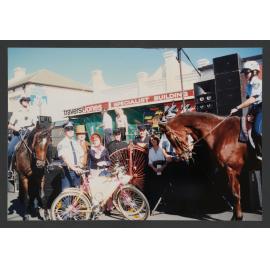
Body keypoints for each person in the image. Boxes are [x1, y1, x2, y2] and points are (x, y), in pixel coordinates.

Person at [230, 60, 262, 160]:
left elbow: (253, 99)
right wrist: (249, 113)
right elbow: (251, 102)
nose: (245, 75)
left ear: (255, 72)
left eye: (247, 72)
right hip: (255, 108)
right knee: (249, 131)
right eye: (244, 73)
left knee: (257, 131)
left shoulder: (257, 82)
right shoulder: (248, 86)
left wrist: (237, 108)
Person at [8, 95, 38, 169]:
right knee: (9, 150)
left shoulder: (32, 112)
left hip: (29, 134)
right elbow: (9, 125)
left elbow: (36, 124)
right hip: (19, 134)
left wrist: (31, 128)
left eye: (28, 100)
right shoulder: (17, 112)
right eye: (25, 100)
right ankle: (8, 170)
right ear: (21, 102)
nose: (26, 101)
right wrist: (15, 128)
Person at [57, 122, 84, 191]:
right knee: (66, 196)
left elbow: (81, 155)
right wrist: (73, 168)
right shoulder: (61, 144)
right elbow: (64, 157)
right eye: (68, 129)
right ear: (64, 131)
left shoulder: (76, 143)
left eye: (72, 128)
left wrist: (80, 164)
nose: (71, 131)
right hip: (67, 171)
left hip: (77, 172)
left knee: (77, 195)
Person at [147, 135, 167, 209]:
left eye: (154, 140)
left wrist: (163, 167)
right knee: (155, 186)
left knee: (161, 185)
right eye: (152, 140)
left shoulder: (162, 149)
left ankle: (162, 202)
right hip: (154, 169)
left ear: (157, 141)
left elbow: (167, 160)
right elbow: (149, 162)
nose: (153, 141)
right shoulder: (150, 150)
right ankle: (155, 203)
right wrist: (153, 168)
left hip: (162, 167)